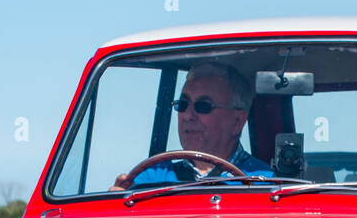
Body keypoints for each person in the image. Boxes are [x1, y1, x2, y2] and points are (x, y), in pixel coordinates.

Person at [113, 63, 272, 188]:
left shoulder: (264, 182)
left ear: (237, 121)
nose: (188, 115)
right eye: (183, 104)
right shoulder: (152, 177)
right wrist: (116, 204)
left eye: (203, 106)